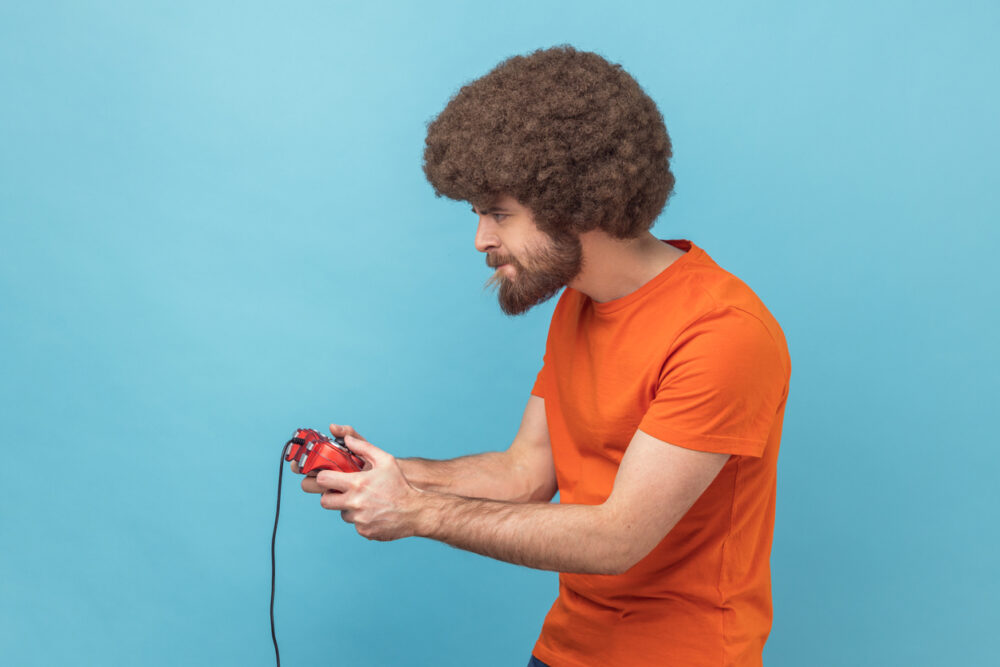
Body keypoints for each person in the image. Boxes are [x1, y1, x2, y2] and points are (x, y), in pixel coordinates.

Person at [297, 45, 791, 667]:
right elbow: (524, 475)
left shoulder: (723, 333)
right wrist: (389, 473)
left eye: (499, 214)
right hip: (566, 648)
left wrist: (415, 511)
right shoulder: (577, 302)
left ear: (574, 203)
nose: (481, 239)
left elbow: (618, 538)